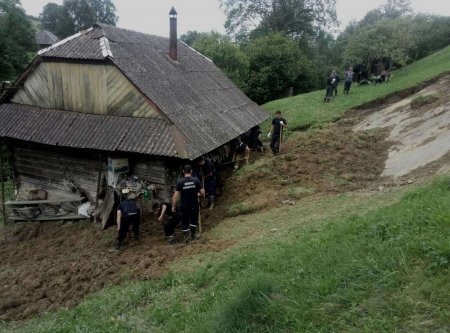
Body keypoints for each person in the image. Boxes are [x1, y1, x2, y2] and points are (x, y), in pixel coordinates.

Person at [172, 165, 204, 243]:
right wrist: (199, 195)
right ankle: (193, 236)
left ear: (183, 172)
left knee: (185, 221)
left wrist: (173, 206)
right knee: (193, 220)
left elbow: (175, 196)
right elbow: (202, 192)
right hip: (194, 205)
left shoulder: (180, 182)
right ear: (191, 171)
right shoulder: (196, 180)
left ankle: (187, 238)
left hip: (184, 205)